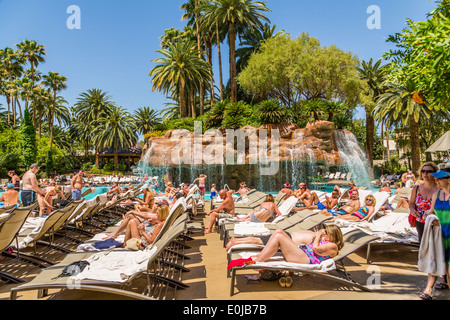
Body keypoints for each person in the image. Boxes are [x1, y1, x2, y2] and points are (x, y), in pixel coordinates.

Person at [228, 225, 344, 266]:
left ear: (333, 235)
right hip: (302, 254)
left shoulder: (333, 246)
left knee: (278, 236)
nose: (324, 234)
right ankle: (260, 256)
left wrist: (318, 235)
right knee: (278, 232)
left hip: (305, 259)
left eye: (326, 233)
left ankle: (259, 259)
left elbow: (316, 249)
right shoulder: (328, 243)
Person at [419, 169, 450, 300]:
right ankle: (428, 289)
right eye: (436, 178)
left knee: (449, 270)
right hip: (439, 235)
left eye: (439, 178)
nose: (436, 180)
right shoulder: (436, 194)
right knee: (434, 261)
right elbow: (432, 211)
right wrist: (432, 218)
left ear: (449, 180)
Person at [409, 162, 440, 243]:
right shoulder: (416, 188)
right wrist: (412, 209)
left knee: (436, 246)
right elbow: (411, 203)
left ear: (434, 174)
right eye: (423, 171)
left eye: (429, 171)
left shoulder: (440, 190)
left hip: (436, 222)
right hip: (420, 221)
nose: (425, 173)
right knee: (423, 245)